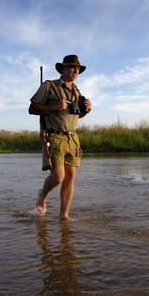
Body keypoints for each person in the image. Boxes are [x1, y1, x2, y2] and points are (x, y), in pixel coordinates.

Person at [28, 54, 92, 220]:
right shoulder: (49, 86)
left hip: (73, 139)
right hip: (54, 137)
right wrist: (54, 107)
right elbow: (32, 108)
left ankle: (64, 215)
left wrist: (86, 110)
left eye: (78, 68)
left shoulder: (76, 91)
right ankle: (42, 195)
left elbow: (76, 117)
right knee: (58, 177)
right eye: (72, 67)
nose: (76, 70)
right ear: (63, 69)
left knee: (70, 177)